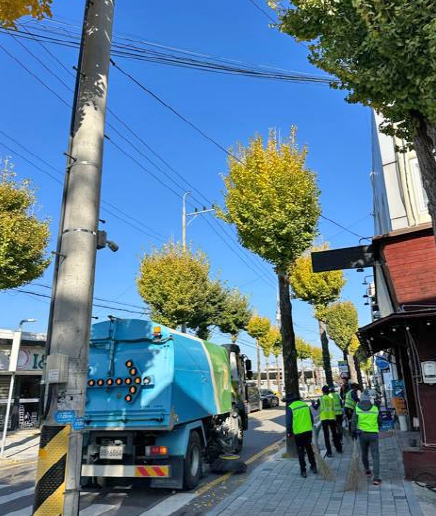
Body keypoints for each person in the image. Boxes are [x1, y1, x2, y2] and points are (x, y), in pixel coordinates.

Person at [351, 390, 383, 486]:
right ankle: (376, 478)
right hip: (373, 434)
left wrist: (353, 432)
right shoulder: (375, 408)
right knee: (375, 456)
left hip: (362, 434)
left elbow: (353, 421)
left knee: (364, 453)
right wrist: (377, 428)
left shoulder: (357, 408)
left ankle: (367, 470)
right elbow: (380, 421)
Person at [287, 395, 317, 478]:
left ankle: (303, 471)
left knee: (301, 452)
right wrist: (310, 427)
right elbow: (311, 418)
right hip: (308, 431)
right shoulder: (305, 405)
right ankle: (314, 467)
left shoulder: (291, 407)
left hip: (298, 433)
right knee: (309, 450)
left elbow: (289, 422)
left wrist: (289, 432)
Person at [318, 385, 342, 457]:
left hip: (324, 419)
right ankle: (339, 449)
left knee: (326, 436)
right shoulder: (331, 398)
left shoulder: (320, 399)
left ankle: (329, 452)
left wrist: (313, 404)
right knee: (334, 434)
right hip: (332, 418)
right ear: (328, 391)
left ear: (322, 391)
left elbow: (316, 407)